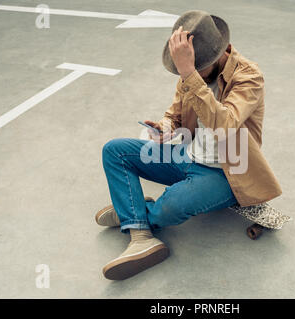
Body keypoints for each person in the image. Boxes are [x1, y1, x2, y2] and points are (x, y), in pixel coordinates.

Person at [96, 10, 283, 280]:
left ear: (217, 55)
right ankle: (141, 234)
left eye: (197, 68)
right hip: (187, 154)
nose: (190, 75)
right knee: (115, 150)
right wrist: (164, 128)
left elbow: (225, 124)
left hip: (227, 171)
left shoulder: (249, 77)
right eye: (188, 69)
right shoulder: (193, 75)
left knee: (171, 206)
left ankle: (133, 213)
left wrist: (188, 71)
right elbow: (175, 114)